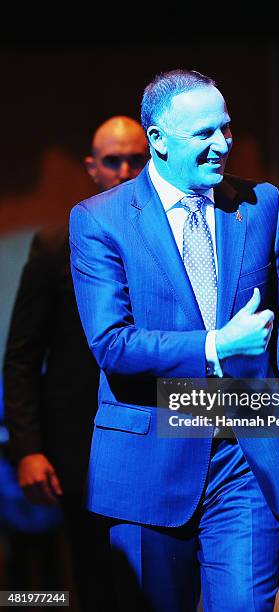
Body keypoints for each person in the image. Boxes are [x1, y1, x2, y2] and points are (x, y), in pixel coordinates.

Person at [69, 69, 279, 611]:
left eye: (226, 129)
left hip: (246, 460)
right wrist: (214, 346)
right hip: (148, 466)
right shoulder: (100, 220)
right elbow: (112, 344)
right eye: (203, 134)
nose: (221, 145)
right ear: (157, 140)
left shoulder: (262, 206)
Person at [3, 116, 149, 611]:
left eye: (137, 159)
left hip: (163, 428)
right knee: (94, 572)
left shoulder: (176, 241)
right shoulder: (54, 245)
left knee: (164, 572)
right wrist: (28, 448)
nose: (126, 170)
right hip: (80, 441)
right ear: (93, 168)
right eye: (113, 160)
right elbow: (23, 355)